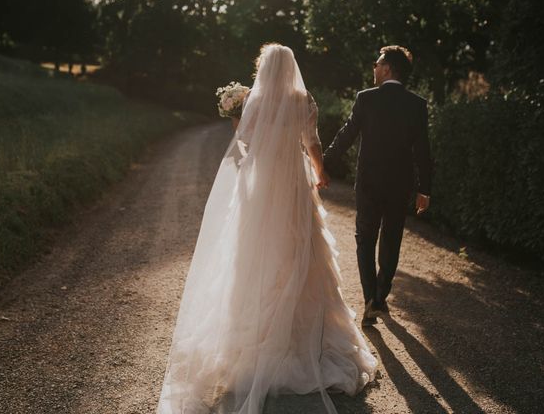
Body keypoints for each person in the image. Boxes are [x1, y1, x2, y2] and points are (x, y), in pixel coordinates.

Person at [157, 43, 377, 414]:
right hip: (292, 184)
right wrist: (320, 173)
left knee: (256, 251)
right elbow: (313, 142)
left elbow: (244, 140)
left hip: (261, 187)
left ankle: (255, 339)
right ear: (291, 68)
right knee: (299, 251)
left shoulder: (254, 101)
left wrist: (236, 116)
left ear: (264, 69)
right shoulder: (302, 99)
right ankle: (301, 336)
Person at [323, 45, 432, 327]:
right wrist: (425, 189)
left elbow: (346, 134)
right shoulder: (417, 104)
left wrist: (322, 163)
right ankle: (380, 296)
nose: (374, 67)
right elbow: (423, 150)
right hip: (400, 184)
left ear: (387, 68)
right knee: (392, 237)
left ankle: (371, 297)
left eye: (377, 63)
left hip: (369, 182)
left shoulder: (366, 99)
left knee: (365, 239)